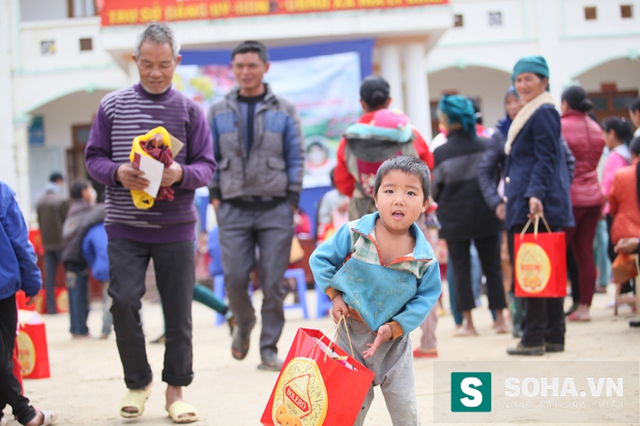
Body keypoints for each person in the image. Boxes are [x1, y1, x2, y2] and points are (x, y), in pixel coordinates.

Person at [85, 23, 216, 423]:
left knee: (178, 311)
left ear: (176, 62)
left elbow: (207, 167)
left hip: (176, 227)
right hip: (124, 225)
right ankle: (138, 382)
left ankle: (175, 391)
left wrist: (180, 175)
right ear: (134, 61)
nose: (155, 72)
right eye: (146, 64)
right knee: (123, 300)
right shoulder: (111, 106)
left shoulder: (190, 110)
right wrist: (118, 172)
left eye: (163, 64)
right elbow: (93, 160)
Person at [310, 156, 441, 425]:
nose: (399, 199)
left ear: (425, 203)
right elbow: (320, 259)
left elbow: (426, 297)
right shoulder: (355, 233)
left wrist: (396, 327)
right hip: (349, 336)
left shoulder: (424, 259)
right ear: (376, 196)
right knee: (346, 410)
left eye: (411, 192)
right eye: (389, 190)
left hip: (393, 344)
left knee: (405, 409)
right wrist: (334, 296)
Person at [207, 40, 304, 371]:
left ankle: (268, 348)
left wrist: (292, 199)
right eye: (239, 66)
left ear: (266, 67)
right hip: (232, 208)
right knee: (234, 277)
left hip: (276, 206)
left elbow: (296, 155)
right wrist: (216, 197)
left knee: (273, 281)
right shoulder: (218, 110)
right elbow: (210, 157)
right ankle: (244, 322)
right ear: (232, 69)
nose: (245, 72)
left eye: (252, 66)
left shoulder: (285, 109)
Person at [503, 56, 574, 356]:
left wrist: (535, 195)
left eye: (529, 79)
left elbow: (546, 158)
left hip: (534, 204)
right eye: (519, 80)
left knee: (533, 269)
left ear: (544, 81)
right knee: (548, 267)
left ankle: (534, 338)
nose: (523, 85)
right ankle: (553, 336)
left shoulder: (543, 111)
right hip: (536, 201)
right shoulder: (534, 111)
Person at [431, 94, 508, 336]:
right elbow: (494, 179)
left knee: (461, 269)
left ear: (448, 120)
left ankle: (468, 324)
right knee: (492, 267)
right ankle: (500, 320)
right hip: (486, 215)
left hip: (455, 219)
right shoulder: (487, 145)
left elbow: (435, 190)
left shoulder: (441, 152)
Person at [333, 75, 434, 220]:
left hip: (365, 216)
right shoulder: (409, 133)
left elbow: (343, 180)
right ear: (389, 101)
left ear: (362, 103)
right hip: (407, 214)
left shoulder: (348, 140)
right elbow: (427, 170)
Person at [1, 180, 58, 426]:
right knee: (4, 353)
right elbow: (19, 242)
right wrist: (32, 282)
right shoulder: (3, 192)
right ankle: (25, 411)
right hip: (2, 288)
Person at [477, 86, 526, 337]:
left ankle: (542, 320)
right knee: (511, 263)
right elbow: (485, 171)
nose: (513, 106)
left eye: (516, 100)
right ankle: (518, 320)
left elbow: (565, 162)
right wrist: (496, 202)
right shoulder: (500, 133)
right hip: (513, 209)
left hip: (541, 208)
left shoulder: (541, 124)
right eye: (508, 102)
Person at [559, 86, 606, 321]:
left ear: (565, 104)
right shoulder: (597, 128)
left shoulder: (562, 126)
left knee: (559, 252)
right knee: (586, 253)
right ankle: (584, 308)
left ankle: (555, 306)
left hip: (570, 198)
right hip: (593, 197)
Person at [61, 181, 102, 339]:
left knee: (73, 293)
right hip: (76, 257)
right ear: (84, 192)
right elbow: (103, 211)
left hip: (69, 257)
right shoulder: (87, 209)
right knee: (79, 294)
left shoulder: (73, 208)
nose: (92, 192)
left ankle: (75, 328)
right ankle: (81, 330)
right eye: (90, 189)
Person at [36, 172, 69, 314]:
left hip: (47, 244)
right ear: (58, 181)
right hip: (62, 243)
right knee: (70, 275)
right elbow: (68, 223)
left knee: (49, 278)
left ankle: (51, 308)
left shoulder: (40, 201)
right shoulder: (61, 200)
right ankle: (73, 307)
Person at [81, 204, 113, 340]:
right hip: (120, 266)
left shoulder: (92, 230)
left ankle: (106, 330)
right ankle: (139, 326)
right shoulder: (116, 227)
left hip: (102, 269)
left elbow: (86, 249)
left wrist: (94, 264)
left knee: (108, 300)